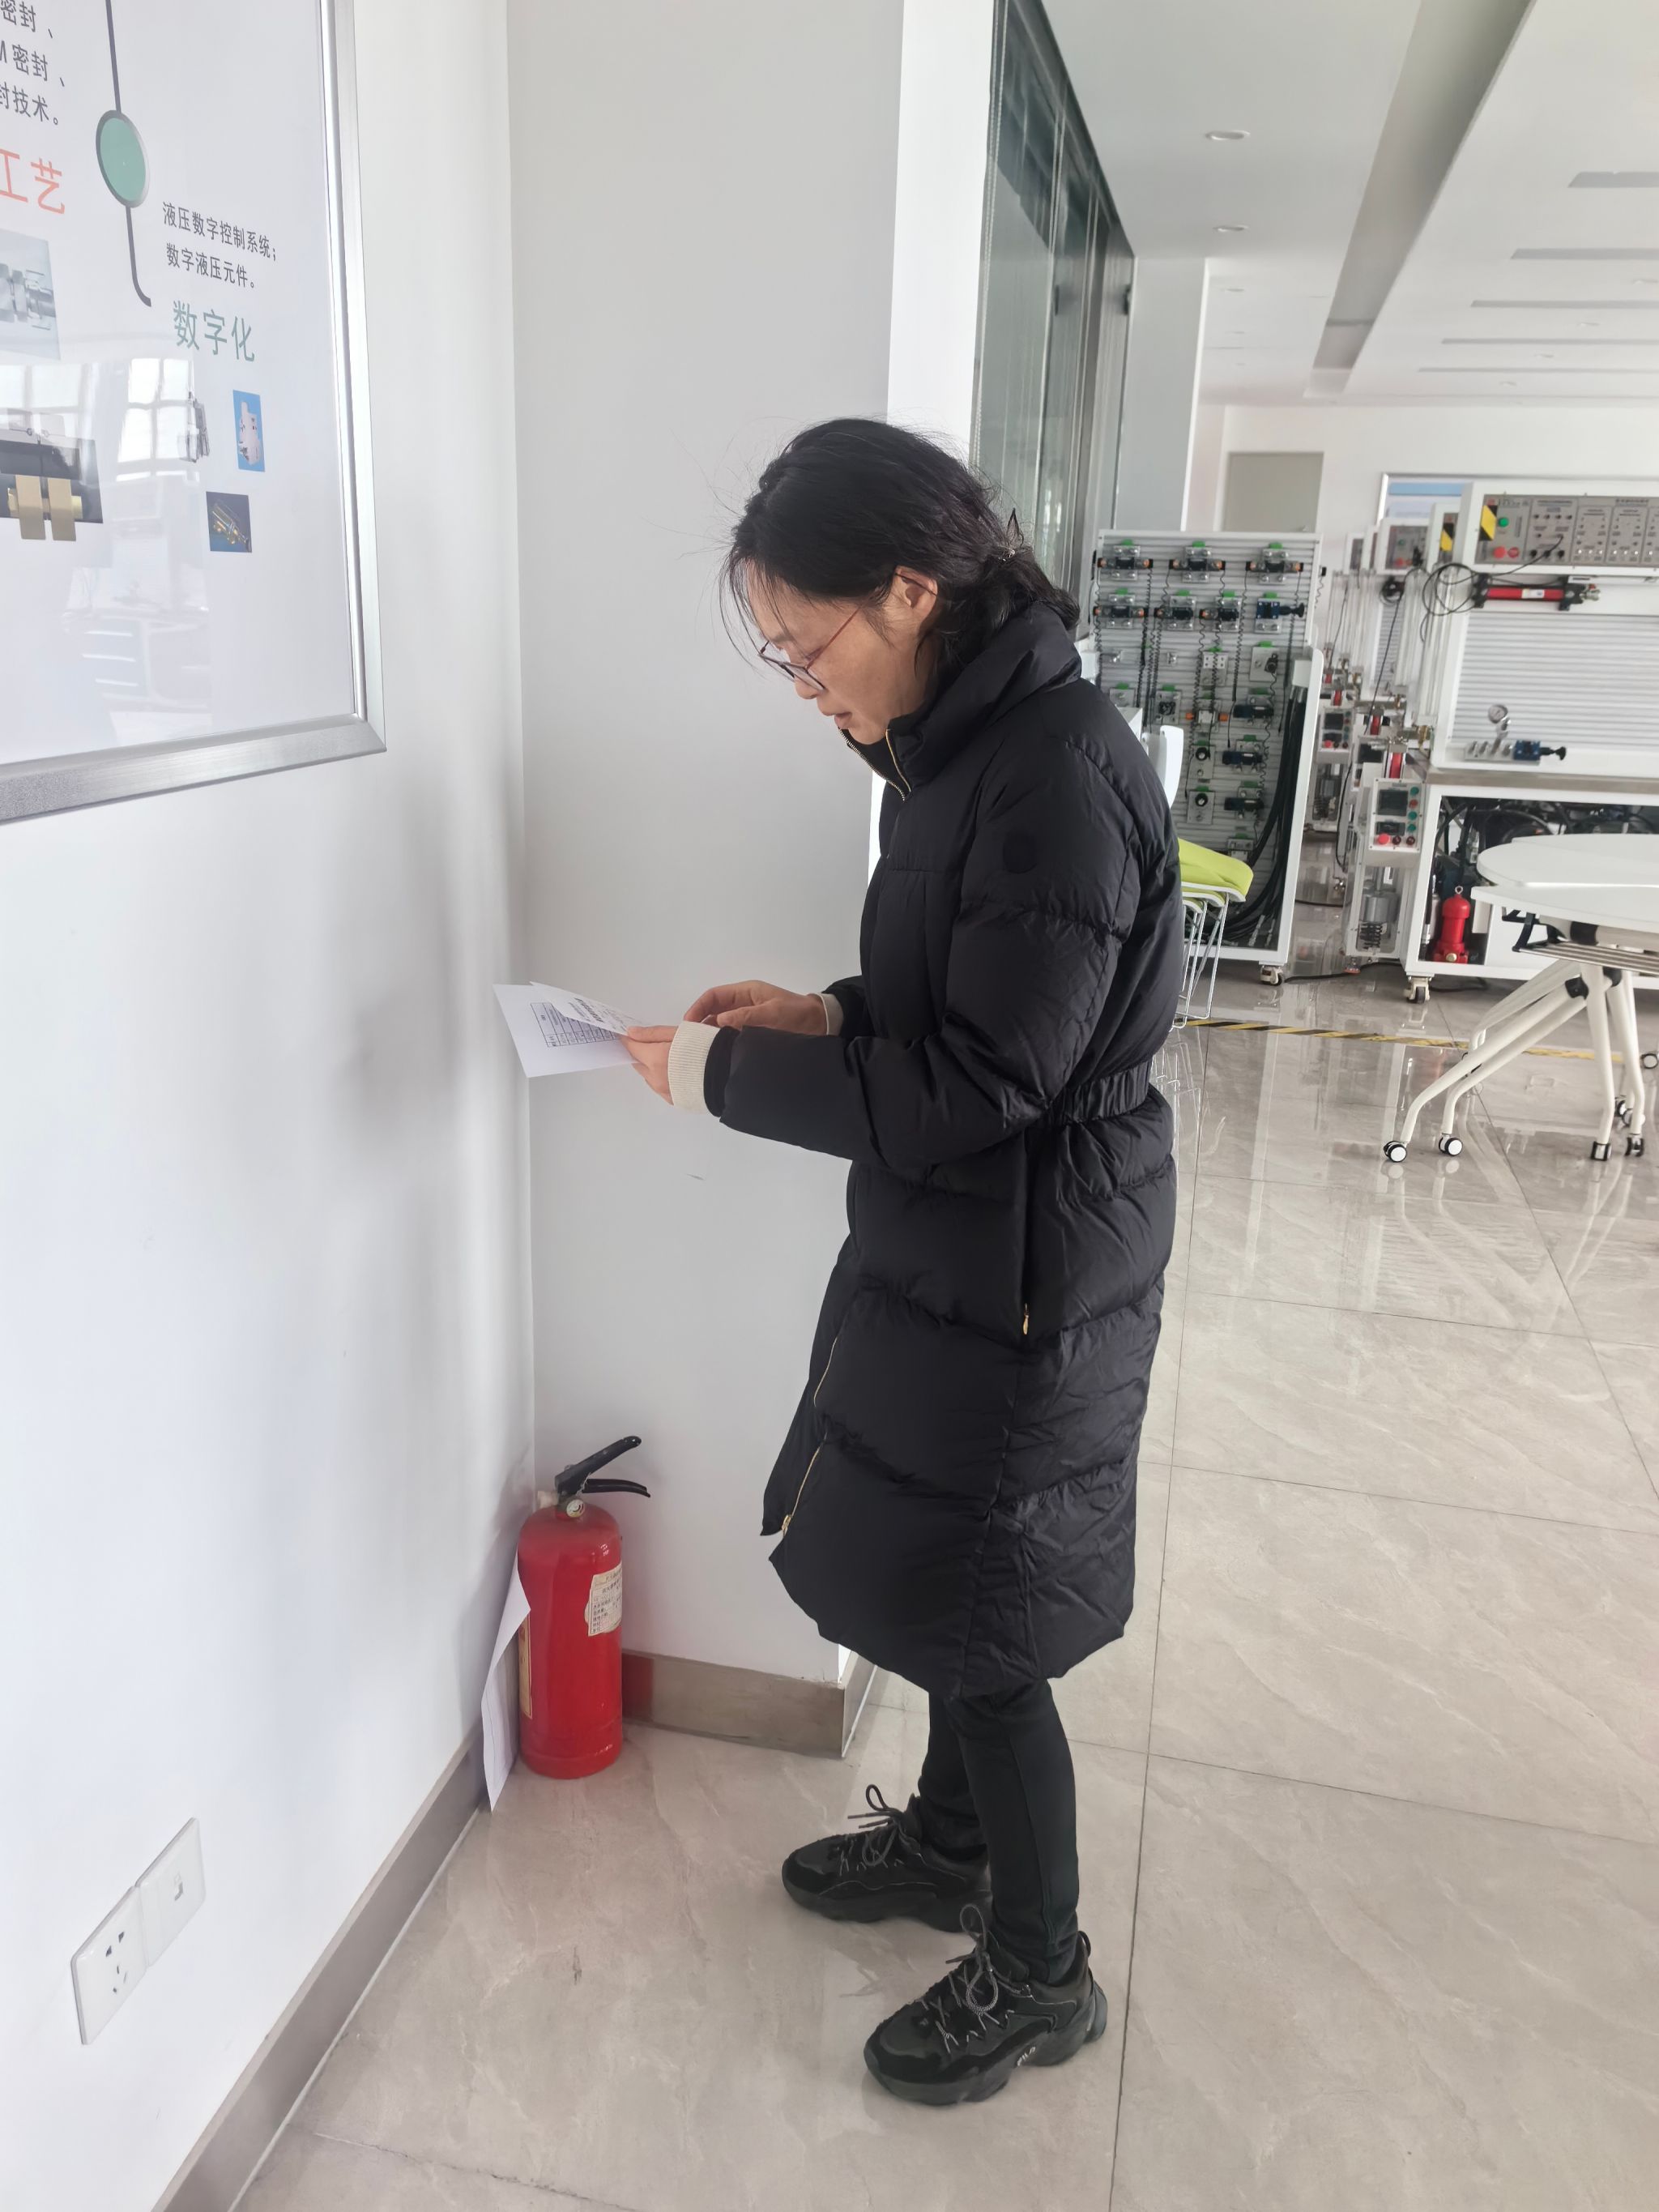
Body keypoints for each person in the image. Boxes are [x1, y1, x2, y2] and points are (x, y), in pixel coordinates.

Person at [625, 418, 1181, 2107]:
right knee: (945, 1563)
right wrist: (826, 1015)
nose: (805, 687)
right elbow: (969, 1000)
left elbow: (986, 1082)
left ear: (912, 591)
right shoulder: (961, 753)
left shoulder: (1054, 771)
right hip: (970, 1234)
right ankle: (949, 1847)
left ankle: (1043, 1970)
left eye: (809, 649)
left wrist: (724, 1079)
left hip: (1030, 1254)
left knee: (990, 1619)